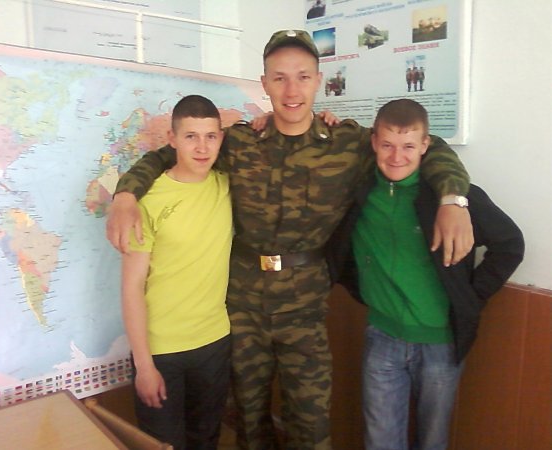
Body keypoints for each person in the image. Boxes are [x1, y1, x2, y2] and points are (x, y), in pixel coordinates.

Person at [107, 30, 473, 450]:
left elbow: (428, 146)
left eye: (302, 77)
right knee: (249, 419)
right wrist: (126, 195)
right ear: (264, 83)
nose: (292, 90)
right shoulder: (240, 142)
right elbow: (169, 155)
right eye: (279, 78)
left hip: (305, 307)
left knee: (311, 423)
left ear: (319, 81)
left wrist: (453, 199)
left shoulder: (348, 143)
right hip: (242, 305)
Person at [327, 99, 524, 450]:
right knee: (380, 440)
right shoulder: (358, 192)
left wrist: (469, 297)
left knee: (432, 441)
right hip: (381, 338)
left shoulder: (453, 198)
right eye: (387, 145)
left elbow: (510, 244)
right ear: (374, 143)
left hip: (440, 345)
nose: (396, 156)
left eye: (408, 146)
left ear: (425, 146)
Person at [120, 95, 232, 450]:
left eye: (210, 136)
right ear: (172, 139)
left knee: (206, 440)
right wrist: (144, 366)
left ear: (221, 139)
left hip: (215, 343)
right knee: (163, 445)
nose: (202, 147)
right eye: (190, 136)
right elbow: (132, 287)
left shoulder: (228, 186)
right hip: (161, 351)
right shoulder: (149, 200)